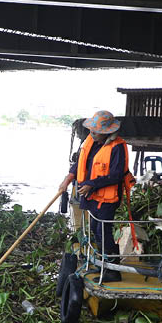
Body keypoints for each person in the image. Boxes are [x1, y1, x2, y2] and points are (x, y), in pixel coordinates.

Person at [59, 110, 129, 282]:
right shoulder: (91, 141)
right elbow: (79, 164)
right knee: (96, 232)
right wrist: (67, 180)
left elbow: (116, 175)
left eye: (95, 131)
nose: (91, 133)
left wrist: (92, 184)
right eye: (91, 130)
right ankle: (102, 264)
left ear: (106, 132)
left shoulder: (118, 147)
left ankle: (113, 271)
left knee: (103, 232)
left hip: (107, 199)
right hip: (92, 197)